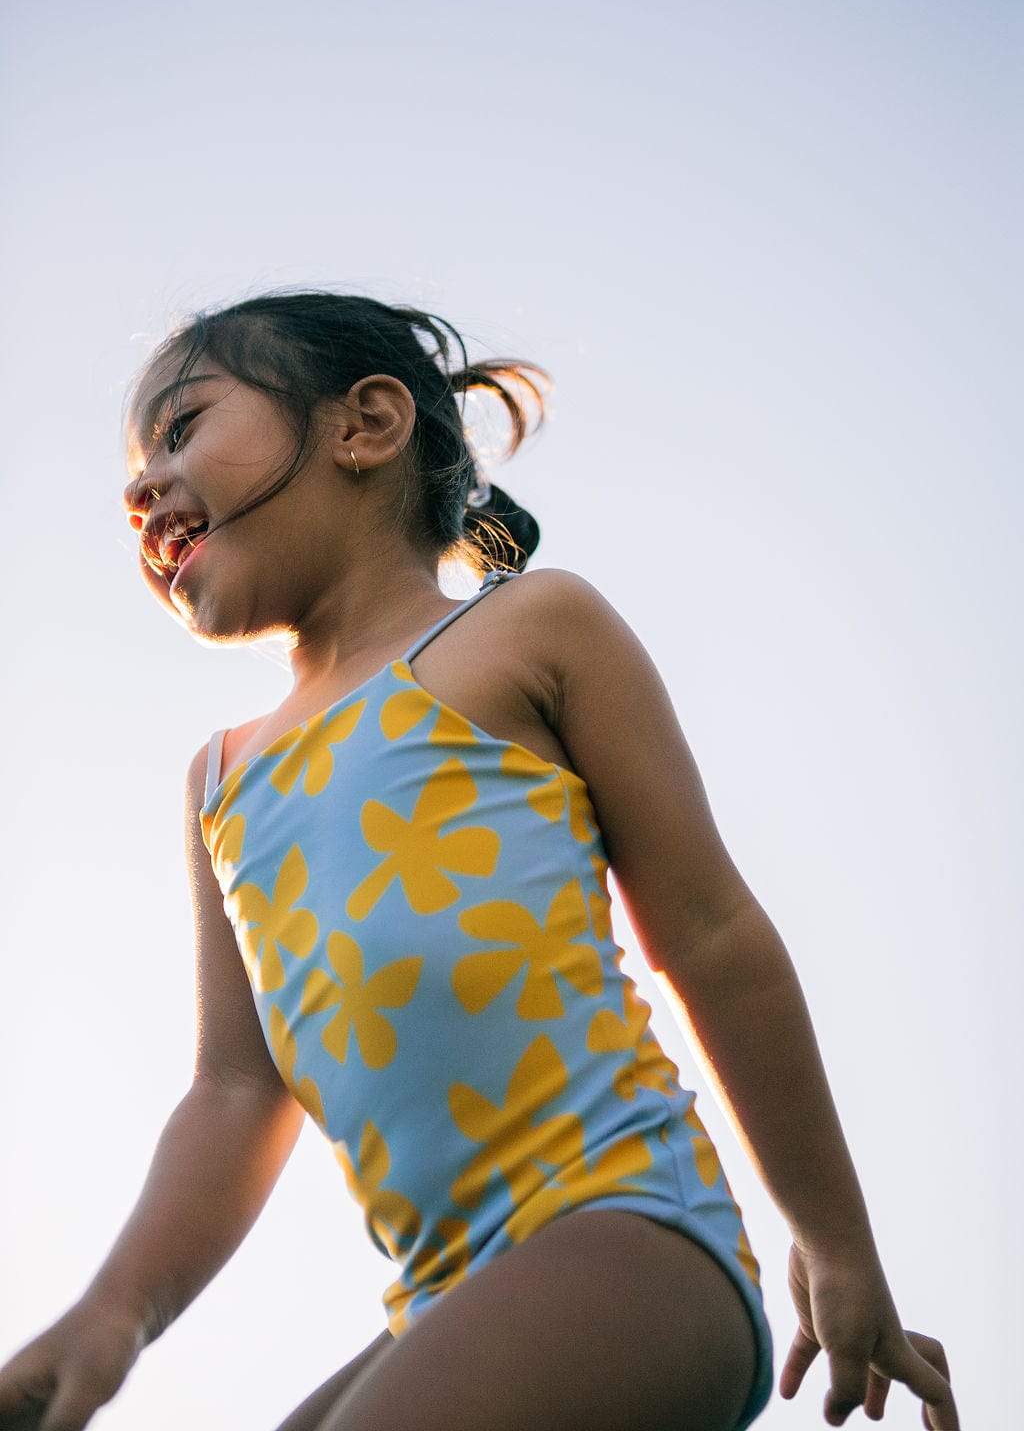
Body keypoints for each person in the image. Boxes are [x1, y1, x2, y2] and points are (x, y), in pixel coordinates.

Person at [0, 294, 957, 1431]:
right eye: (137, 460)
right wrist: (117, 1312)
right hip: (441, 1298)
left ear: (366, 425)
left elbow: (711, 937)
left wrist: (835, 1243)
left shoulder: (529, 631)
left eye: (182, 426)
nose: (142, 483)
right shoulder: (221, 782)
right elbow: (233, 1092)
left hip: (630, 1231)